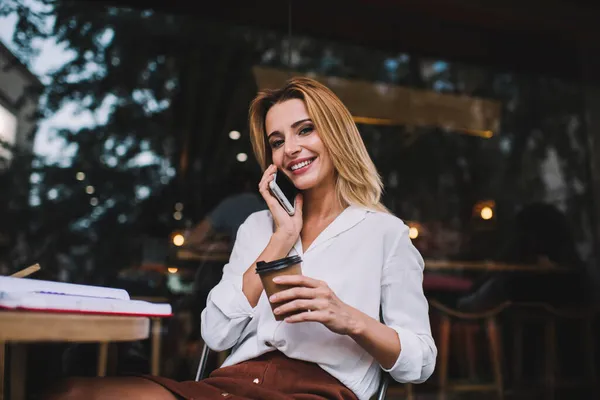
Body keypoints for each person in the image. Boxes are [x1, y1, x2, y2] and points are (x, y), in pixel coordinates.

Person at [46, 77, 436, 400]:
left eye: (305, 130)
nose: (291, 149)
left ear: (335, 134)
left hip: (318, 390)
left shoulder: (385, 233)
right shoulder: (257, 227)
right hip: (231, 386)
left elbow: (420, 362)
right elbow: (216, 333)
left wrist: (349, 318)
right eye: (277, 140)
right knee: (71, 392)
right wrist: (280, 239)